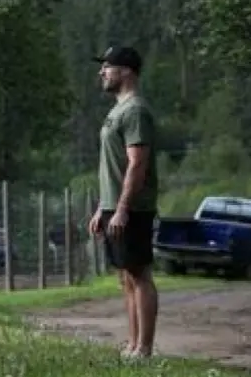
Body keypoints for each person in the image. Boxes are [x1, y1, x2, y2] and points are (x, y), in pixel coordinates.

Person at [88, 46, 159, 359]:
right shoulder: (117, 110)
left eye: (108, 66)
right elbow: (112, 165)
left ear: (126, 71)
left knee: (140, 275)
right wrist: (102, 208)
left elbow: (136, 164)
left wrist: (122, 209)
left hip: (131, 208)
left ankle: (144, 347)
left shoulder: (135, 111)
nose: (102, 72)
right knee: (125, 277)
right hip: (112, 207)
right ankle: (131, 344)